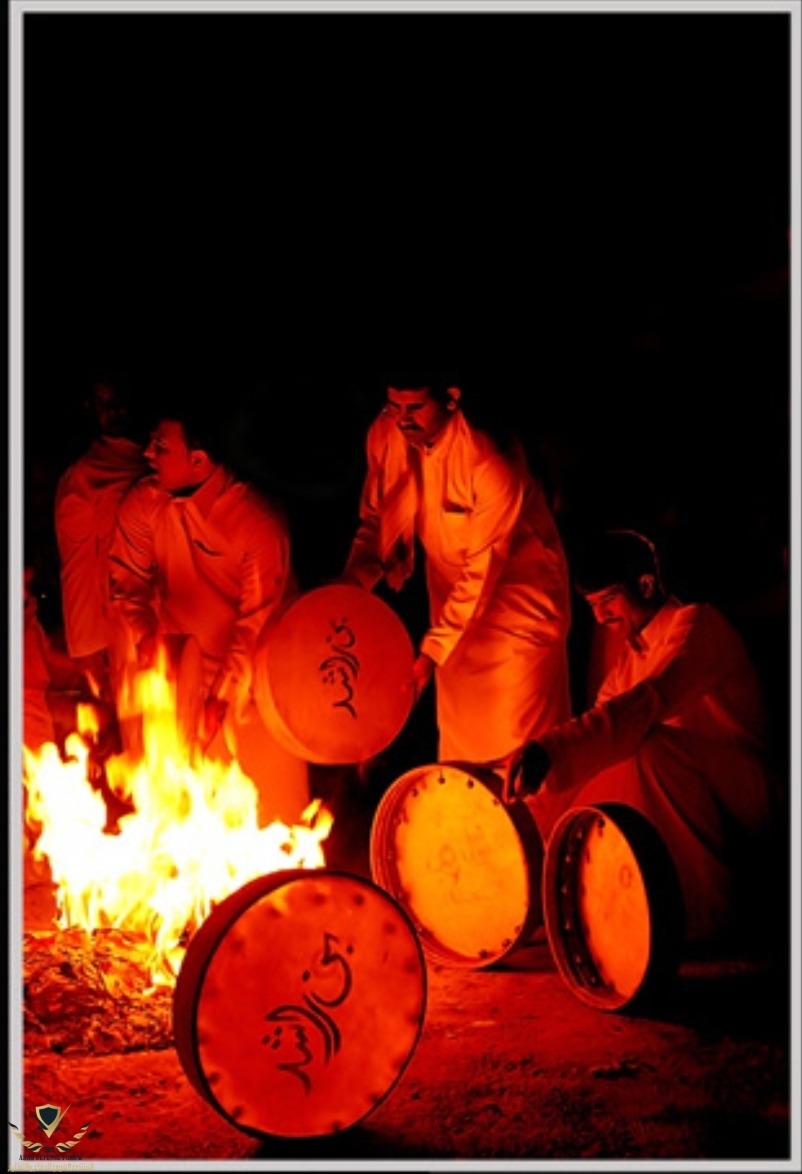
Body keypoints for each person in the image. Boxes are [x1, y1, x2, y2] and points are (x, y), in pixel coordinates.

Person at [502, 528, 779, 945]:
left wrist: (551, 750)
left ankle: (710, 914)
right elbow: (599, 737)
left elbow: (649, 703)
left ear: (646, 585)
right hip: (692, 792)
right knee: (609, 759)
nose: (600, 618)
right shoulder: (629, 662)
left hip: (750, 796)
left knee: (647, 745)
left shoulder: (698, 625)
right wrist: (526, 812)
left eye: (607, 601)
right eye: (592, 606)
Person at [342, 372, 572, 765]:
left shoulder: (490, 459)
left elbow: (483, 568)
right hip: (452, 613)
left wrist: (433, 652)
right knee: (461, 754)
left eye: (415, 407)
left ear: (450, 398)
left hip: (518, 615)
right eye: (394, 406)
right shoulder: (386, 434)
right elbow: (377, 520)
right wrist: (350, 585)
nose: (403, 420)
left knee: (520, 753)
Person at [107, 392, 310, 826]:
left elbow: (256, 625)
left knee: (269, 819)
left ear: (198, 460)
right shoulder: (144, 503)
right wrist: (149, 643)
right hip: (181, 677)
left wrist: (220, 699)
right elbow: (126, 583)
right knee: (182, 821)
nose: (147, 454)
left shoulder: (257, 523)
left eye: (161, 447)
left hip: (257, 688)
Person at [54, 376, 150, 708]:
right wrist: (86, 648)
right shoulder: (84, 478)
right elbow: (78, 566)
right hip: (118, 625)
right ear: (90, 409)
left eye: (120, 401)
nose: (116, 412)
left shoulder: (159, 457)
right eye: (104, 405)